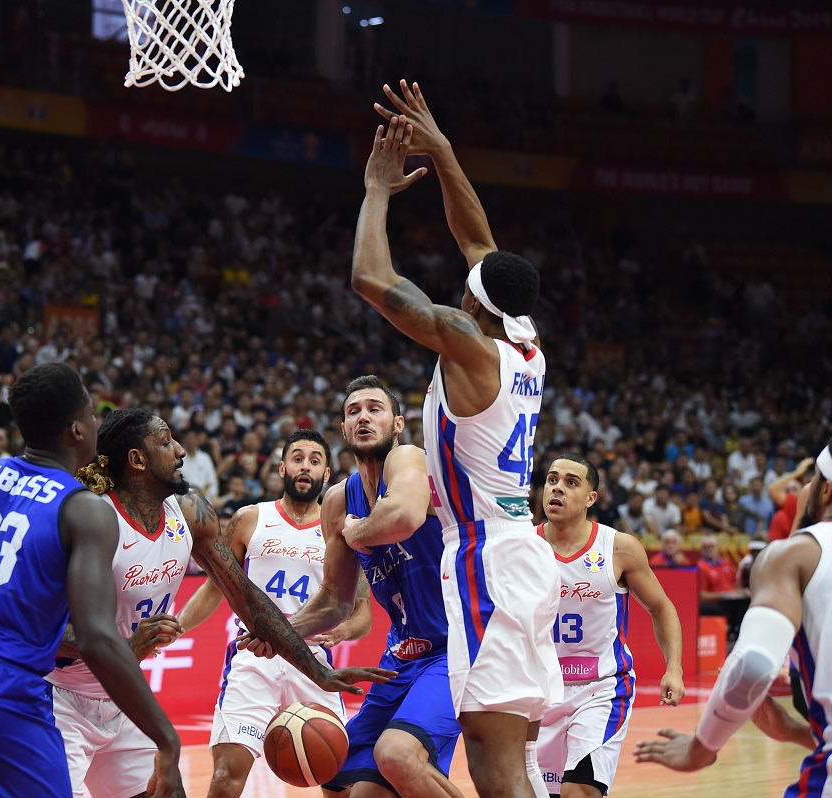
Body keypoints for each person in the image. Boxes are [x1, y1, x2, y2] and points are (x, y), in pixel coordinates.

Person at [360, 80, 560, 797]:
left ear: (475, 298)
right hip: (522, 555)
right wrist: (442, 150)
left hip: (486, 560)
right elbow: (480, 241)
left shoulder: (467, 345)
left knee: (495, 765)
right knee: (514, 762)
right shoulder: (523, 339)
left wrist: (379, 188)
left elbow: (370, 278)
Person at [47, 406, 394, 798]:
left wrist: (318, 671)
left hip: (123, 695)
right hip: (58, 700)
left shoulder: (190, 513)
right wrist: (126, 648)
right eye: (166, 442)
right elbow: (38, 630)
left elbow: (247, 598)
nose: (181, 451)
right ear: (137, 460)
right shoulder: (91, 519)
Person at [0, 363, 186, 798]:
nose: (97, 422)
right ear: (77, 431)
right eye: (91, 414)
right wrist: (167, 739)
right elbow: (96, 641)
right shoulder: (84, 509)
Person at [635, 426, 832, 795]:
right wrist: (793, 731)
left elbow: (752, 665)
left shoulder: (798, 553)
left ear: (826, 489)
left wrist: (700, 749)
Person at [249, 375, 463, 796]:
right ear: (344, 430)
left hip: (457, 648)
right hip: (402, 655)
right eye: (353, 412)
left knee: (398, 754)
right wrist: (278, 631)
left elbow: (403, 517)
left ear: (398, 423)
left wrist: (355, 533)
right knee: (337, 777)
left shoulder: (409, 459)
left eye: (374, 408)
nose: (363, 416)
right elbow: (333, 600)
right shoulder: (338, 501)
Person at [176, 428, 374, 797]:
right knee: (224, 778)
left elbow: (363, 614)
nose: (305, 467)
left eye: (315, 461)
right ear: (282, 468)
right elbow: (213, 588)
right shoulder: (250, 519)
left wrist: (343, 631)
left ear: (326, 475)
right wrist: (176, 628)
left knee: (337, 783)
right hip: (255, 658)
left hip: (313, 662)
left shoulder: (342, 535)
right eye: (297, 458)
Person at [537, 454, 685, 798]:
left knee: (580, 792)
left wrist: (673, 667)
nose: (558, 487)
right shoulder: (523, 547)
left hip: (601, 688)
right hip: (541, 691)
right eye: (552, 480)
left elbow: (661, 607)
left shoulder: (618, 548)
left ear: (591, 498)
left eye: (571, 482)